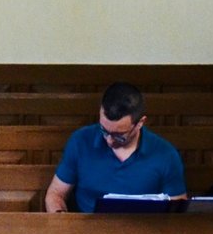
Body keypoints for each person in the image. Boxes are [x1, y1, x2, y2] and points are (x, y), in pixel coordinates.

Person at [45, 82, 186, 213]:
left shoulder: (166, 154)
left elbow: (177, 211)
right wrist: (61, 220)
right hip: (87, 233)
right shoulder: (81, 141)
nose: (109, 140)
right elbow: (55, 194)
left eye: (119, 135)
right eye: (104, 130)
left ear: (140, 123)